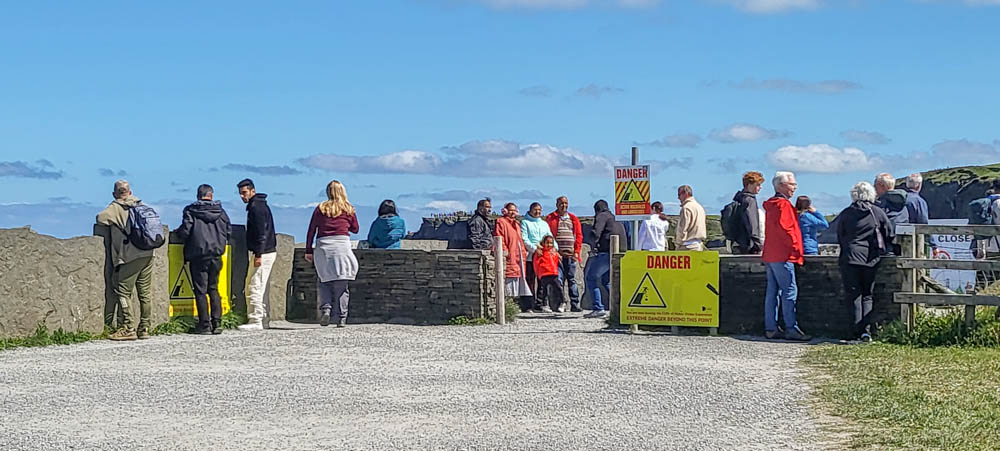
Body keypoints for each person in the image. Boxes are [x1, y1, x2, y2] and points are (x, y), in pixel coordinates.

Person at [95, 180, 155, 341]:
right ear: (129, 192)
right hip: (148, 253)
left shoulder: (116, 207)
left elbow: (100, 218)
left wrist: (114, 204)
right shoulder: (141, 205)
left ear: (115, 193)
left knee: (123, 291)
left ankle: (128, 328)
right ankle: (145, 327)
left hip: (130, 255)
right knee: (145, 293)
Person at [836, 181, 894, 342]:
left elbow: (840, 235)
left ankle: (854, 332)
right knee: (867, 295)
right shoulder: (877, 212)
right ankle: (865, 331)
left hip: (849, 257)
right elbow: (889, 233)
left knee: (853, 295)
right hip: (870, 258)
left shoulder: (846, 213)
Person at [172, 184, 231, 335]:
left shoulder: (191, 211)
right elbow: (228, 231)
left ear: (198, 195)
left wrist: (177, 233)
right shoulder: (221, 212)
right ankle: (217, 323)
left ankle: (204, 325)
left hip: (198, 255)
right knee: (214, 288)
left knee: (200, 291)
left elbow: (185, 231)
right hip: (217, 255)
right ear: (211, 195)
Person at [761, 172, 809, 341]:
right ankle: (791, 327)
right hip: (784, 254)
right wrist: (797, 251)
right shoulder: (784, 205)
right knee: (789, 291)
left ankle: (771, 327)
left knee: (772, 292)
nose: (794, 188)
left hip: (770, 254)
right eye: (792, 184)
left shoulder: (771, 205)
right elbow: (788, 231)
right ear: (781, 186)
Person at [305, 180, 360, 328]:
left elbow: (311, 230)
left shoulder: (321, 208)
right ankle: (342, 317)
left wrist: (308, 250)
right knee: (342, 283)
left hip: (323, 246)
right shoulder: (348, 209)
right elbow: (355, 229)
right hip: (341, 245)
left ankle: (326, 309)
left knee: (324, 281)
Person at [236, 179, 277, 331]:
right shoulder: (261, 205)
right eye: (240, 193)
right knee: (263, 286)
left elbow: (261, 232)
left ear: (252, 191)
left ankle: (255, 319)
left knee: (254, 285)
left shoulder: (256, 208)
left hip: (263, 252)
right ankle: (264, 319)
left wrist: (258, 253)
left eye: (244, 192)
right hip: (268, 250)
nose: (242, 196)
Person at [585, 200, 627, 318]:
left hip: (607, 252)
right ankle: (619, 307)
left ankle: (598, 308)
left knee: (591, 277)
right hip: (620, 252)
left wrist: (592, 243)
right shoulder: (614, 218)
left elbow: (596, 233)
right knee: (607, 280)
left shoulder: (601, 216)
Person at [545, 196, 583, 312]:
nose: (564, 205)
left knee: (572, 280)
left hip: (571, 255)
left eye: (566, 203)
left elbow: (579, 236)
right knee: (558, 279)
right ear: (557, 204)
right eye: (561, 203)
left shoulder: (573, 218)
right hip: (556, 256)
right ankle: (560, 303)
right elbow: (548, 235)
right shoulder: (551, 218)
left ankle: (575, 304)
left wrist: (576, 252)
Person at [494, 202, 532, 304]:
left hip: (518, 257)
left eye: (515, 210)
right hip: (510, 256)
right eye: (511, 210)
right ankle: (507, 304)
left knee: (517, 280)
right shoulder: (501, 222)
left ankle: (515, 303)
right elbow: (499, 237)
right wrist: (505, 252)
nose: (513, 212)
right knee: (509, 281)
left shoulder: (517, 224)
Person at [520, 202, 554, 312]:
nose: (537, 212)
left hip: (544, 257)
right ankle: (528, 305)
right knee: (530, 280)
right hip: (531, 256)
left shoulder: (544, 224)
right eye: (535, 209)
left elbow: (550, 237)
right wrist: (535, 249)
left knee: (542, 281)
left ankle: (541, 304)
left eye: (539, 210)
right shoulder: (525, 222)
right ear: (530, 210)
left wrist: (555, 249)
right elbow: (524, 238)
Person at [727, 171, 764, 254]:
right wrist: (758, 245)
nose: (760, 187)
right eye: (758, 185)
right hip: (750, 245)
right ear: (750, 184)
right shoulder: (750, 200)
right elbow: (752, 224)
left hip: (738, 242)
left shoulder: (739, 199)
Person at [873, 172, 909, 255]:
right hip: (901, 248)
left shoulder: (880, 205)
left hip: (883, 249)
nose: (874, 189)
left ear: (881, 185)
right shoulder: (904, 204)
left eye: (875, 186)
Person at [533, 235, 563, 312]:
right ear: (543, 243)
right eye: (547, 243)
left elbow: (556, 262)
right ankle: (544, 305)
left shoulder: (553, 252)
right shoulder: (540, 252)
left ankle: (562, 302)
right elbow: (536, 263)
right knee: (544, 291)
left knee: (558, 288)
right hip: (544, 274)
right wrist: (538, 273)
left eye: (551, 243)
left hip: (553, 273)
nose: (549, 245)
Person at [676, 185, 707, 251]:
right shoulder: (700, 207)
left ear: (686, 194)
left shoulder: (686, 208)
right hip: (698, 244)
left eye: (679, 194)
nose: (678, 197)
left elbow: (682, 229)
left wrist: (678, 244)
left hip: (687, 245)